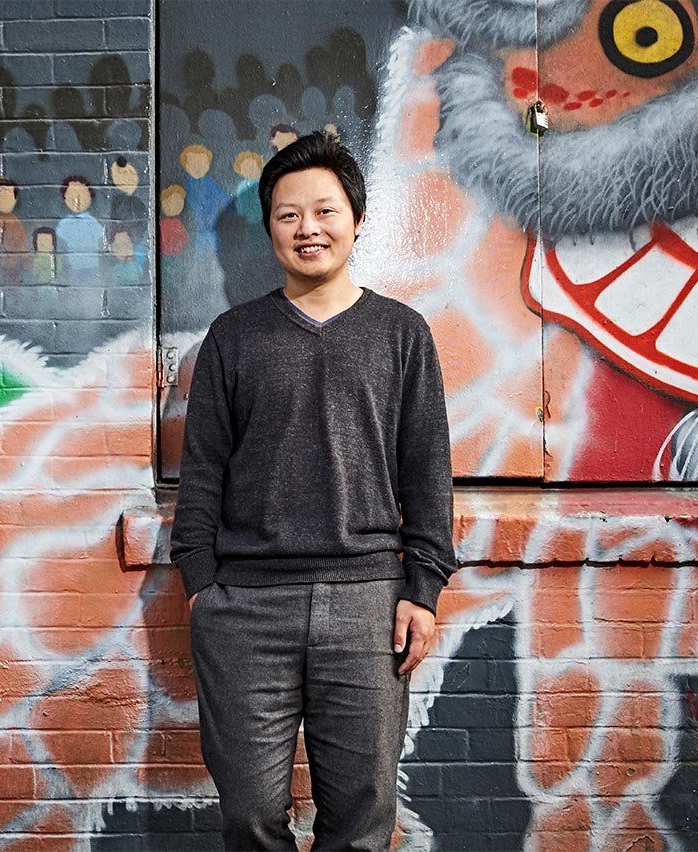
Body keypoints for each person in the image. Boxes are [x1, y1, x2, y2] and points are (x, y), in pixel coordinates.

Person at [170, 131, 455, 851]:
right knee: (250, 816)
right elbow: (200, 473)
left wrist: (422, 587)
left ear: (356, 221)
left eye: (325, 211)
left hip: (368, 604)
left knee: (361, 822)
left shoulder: (401, 334)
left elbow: (428, 474)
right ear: (269, 230)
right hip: (246, 611)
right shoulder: (233, 337)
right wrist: (203, 587)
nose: (308, 229)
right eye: (288, 215)